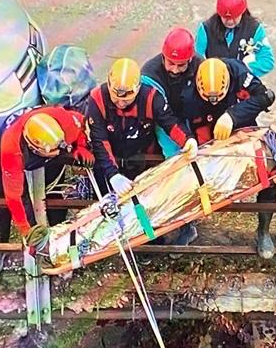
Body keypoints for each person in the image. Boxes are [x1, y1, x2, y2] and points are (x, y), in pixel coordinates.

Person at [85, 56, 198, 244]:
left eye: (127, 98)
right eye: (116, 97)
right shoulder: (97, 99)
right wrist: (112, 174)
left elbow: (169, 122)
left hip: (141, 157)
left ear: (137, 89)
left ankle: (150, 241)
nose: (121, 103)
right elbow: (99, 140)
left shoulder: (152, 97)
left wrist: (188, 141)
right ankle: (108, 242)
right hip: (108, 161)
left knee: (145, 205)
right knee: (109, 208)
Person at [181, 57, 276, 258]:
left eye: (217, 96)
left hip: (243, 127)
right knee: (193, 175)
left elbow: (266, 96)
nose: (213, 100)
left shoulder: (239, 73)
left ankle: (263, 230)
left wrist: (233, 115)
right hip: (209, 136)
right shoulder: (189, 94)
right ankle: (187, 226)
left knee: (270, 175)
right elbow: (189, 123)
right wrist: (199, 145)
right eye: (208, 97)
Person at [0, 105, 94, 275]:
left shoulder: (64, 121)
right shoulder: (11, 150)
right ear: (34, 148)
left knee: (56, 198)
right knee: (3, 210)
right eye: (55, 150)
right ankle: (1, 247)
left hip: (48, 151)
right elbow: (15, 197)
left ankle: (59, 247)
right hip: (7, 153)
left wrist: (80, 146)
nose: (59, 151)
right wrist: (26, 230)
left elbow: (80, 125)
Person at [194, 0, 275, 79]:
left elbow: (267, 61)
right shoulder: (205, 29)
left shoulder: (255, 29)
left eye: (234, 17)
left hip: (243, 83)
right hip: (214, 84)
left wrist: (239, 70)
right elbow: (196, 61)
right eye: (225, 18)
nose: (230, 22)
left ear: (242, 12)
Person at [140, 26, 201, 150]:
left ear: (190, 59)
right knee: (175, 153)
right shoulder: (149, 76)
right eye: (171, 63)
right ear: (163, 56)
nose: (175, 70)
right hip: (165, 119)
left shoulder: (200, 66)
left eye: (181, 65)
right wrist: (185, 139)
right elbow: (163, 117)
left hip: (195, 115)